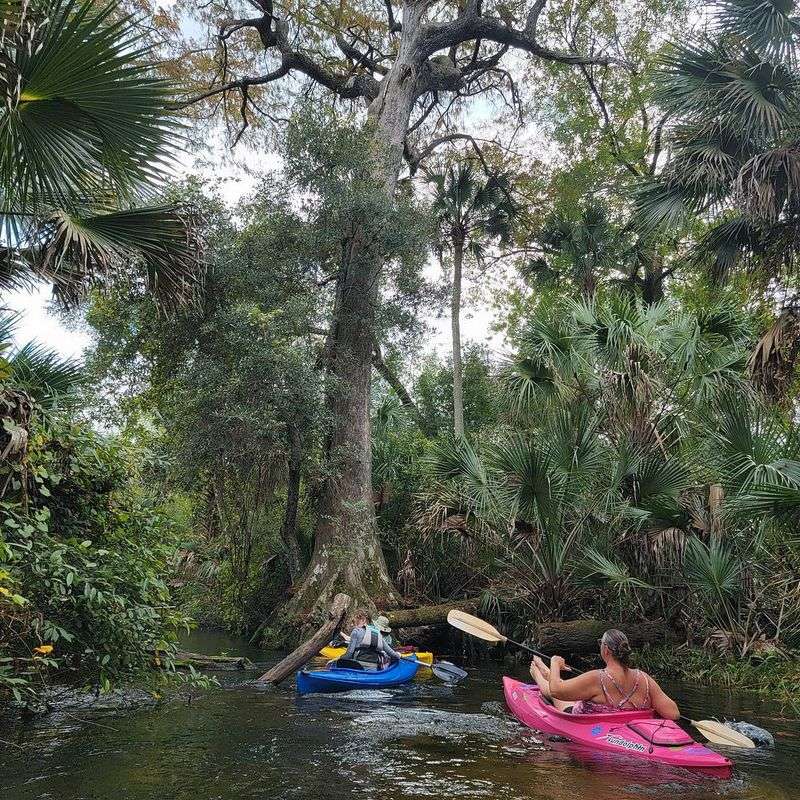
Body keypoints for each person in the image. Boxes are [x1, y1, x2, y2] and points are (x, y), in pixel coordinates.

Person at [529, 629, 680, 720]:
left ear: (606, 650)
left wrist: (555, 662)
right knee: (567, 690)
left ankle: (539, 673)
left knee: (554, 693)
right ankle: (546, 673)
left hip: (587, 725)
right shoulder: (645, 680)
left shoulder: (597, 678)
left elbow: (557, 690)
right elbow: (674, 714)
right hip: (627, 731)